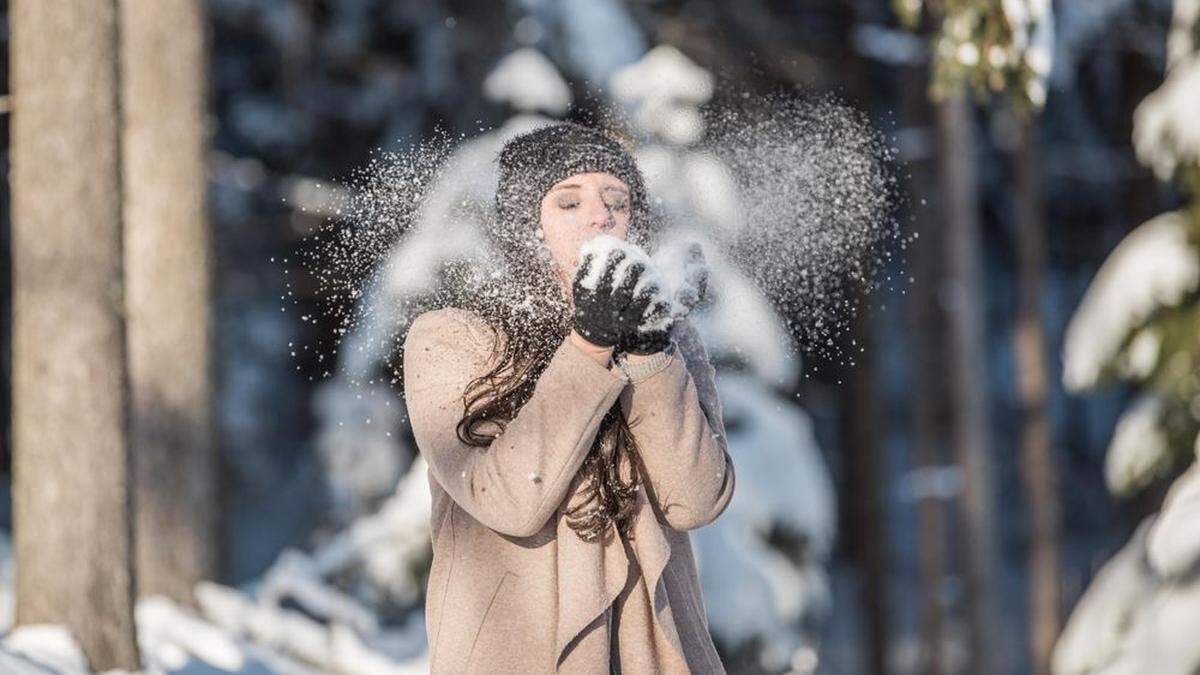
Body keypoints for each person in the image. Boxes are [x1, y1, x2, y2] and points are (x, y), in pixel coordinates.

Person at [403, 121, 734, 674]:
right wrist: (589, 344)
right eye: (569, 202)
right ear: (525, 226)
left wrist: (650, 354)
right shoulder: (451, 337)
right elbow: (507, 499)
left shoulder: (668, 342)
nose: (601, 215)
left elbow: (696, 500)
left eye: (617, 200)